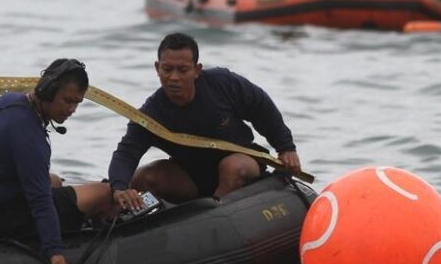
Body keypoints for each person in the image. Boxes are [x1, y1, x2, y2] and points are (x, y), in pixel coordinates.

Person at [0, 59, 117, 264]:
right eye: (68, 101)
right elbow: (41, 204)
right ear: (47, 91)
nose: (72, 110)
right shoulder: (29, 137)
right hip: (2, 221)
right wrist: (58, 263)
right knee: (104, 193)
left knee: (54, 180)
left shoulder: (8, 102)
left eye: (77, 103)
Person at [108, 33, 302, 209]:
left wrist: (286, 148)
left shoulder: (223, 84)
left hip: (242, 164)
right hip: (190, 177)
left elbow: (261, 107)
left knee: (232, 167)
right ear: (157, 69)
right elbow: (127, 152)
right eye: (167, 69)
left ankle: (214, 215)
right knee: (144, 176)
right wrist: (119, 187)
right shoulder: (151, 114)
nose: (174, 78)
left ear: (197, 70)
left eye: (183, 70)